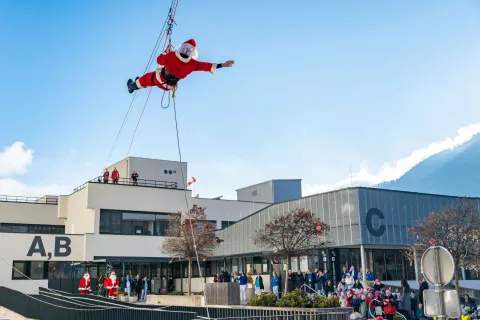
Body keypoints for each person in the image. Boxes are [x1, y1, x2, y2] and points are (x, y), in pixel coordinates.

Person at [127, 39, 234, 93]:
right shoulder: (193, 64)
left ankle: (131, 87)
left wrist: (166, 51)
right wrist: (223, 65)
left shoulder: (172, 55)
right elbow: (207, 66)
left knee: (147, 79)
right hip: (169, 87)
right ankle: (141, 83)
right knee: (150, 81)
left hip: (160, 79)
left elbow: (159, 60)